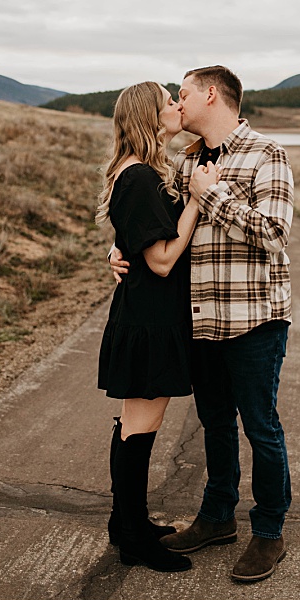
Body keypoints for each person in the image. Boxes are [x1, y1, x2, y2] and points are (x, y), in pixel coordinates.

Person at [111, 65, 294, 583]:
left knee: (260, 426)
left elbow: (274, 233)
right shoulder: (184, 159)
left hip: (254, 318)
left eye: (184, 94)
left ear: (210, 95)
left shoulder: (267, 154)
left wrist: (209, 194)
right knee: (215, 424)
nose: (178, 103)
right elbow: (150, 219)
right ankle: (217, 518)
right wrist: (119, 248)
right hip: (202, 321)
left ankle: (268, 531)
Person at [96, 81, 201, 573]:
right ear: (148, 117)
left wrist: (119, 249)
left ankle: (127, 522)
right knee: (140, 424)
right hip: (149, 317)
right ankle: (134, 535)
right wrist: (198, 203)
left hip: (146, 314)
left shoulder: (138, 171)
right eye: (169, 102)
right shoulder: (138, 177)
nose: (178, 106)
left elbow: (134, 240)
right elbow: (160, 260)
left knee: (136, 423)